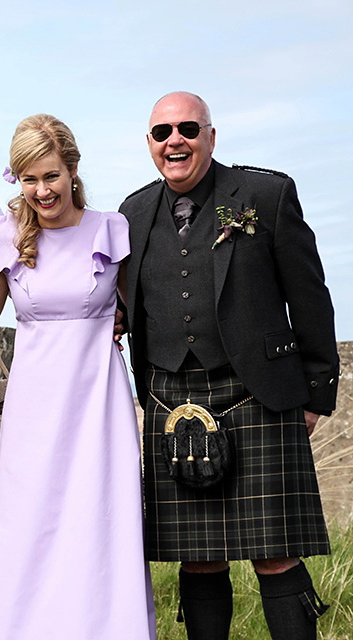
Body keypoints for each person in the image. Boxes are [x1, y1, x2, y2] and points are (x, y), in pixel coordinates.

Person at [120, 91, 338, 639]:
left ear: (211, 137)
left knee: (275, 553)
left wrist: (315, 392)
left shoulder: (265, 194)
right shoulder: (133, 212)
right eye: (163, 132)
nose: (176, 140)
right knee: (198, 558)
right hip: (172, 399)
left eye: (189, 129)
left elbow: (309, 296)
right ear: (149, 144)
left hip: (258, 393)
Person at [0, 114, 155, 639]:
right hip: (33, 402)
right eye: (28, 179)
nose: (41, 190)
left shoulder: (110, 228)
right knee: (30, 522)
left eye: (50, 176)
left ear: (72, 170)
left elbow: (141, 307)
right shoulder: (5, 237)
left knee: (102, 518)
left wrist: (119, 320)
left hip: (98, 400)